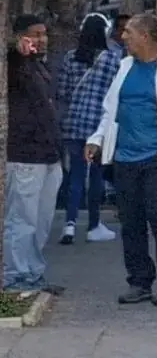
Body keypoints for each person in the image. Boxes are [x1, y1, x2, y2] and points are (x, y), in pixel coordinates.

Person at [86, 13, 157, 305]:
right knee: (131, 222)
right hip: (124, 159)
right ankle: (139, 281)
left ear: (145, 37)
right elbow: (110, 111)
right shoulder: (124, 67)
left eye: (129, 32)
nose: (123, 37)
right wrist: (97, 139)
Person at [4, 15, 63, 291]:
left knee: (42, 220)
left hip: (48, 152)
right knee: (21, 218)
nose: (41, 39)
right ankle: (15, 275)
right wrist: (17, 53)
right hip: (24, 154)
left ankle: (33, 272)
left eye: (44, 33)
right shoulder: (13, 65)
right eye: (35, 34)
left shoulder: (40, 66)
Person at [59, 13, 129, 240]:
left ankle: (69, 225)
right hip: (99, 125)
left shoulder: (70, 58)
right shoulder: (111, 60)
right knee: (96, 175)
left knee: (76, 175)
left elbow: (63, 92)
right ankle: (93, 225)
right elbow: (117, 93)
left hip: (73, 123)